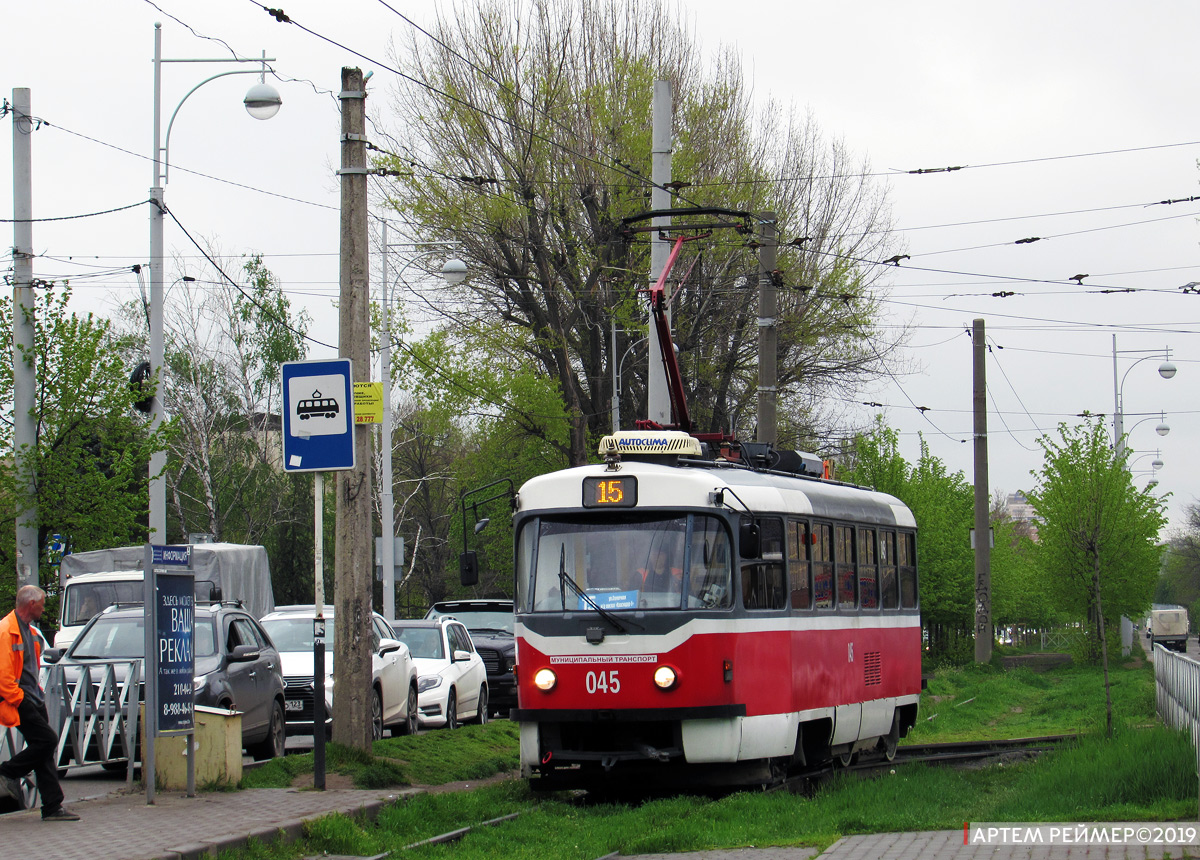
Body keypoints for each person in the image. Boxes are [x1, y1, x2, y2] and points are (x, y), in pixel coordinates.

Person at [0, 584, 79, 821]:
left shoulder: (30, 632)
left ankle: (52, 807)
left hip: (33, 697)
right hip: (20, 699)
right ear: (31, 604)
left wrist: (37, 693)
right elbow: (3, 675)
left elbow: (31, 669)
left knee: (44, 752)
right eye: (43, 604)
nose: (44, 609)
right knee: (48, 741)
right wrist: (20, 699)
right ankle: (7, 772)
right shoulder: (6, 631)